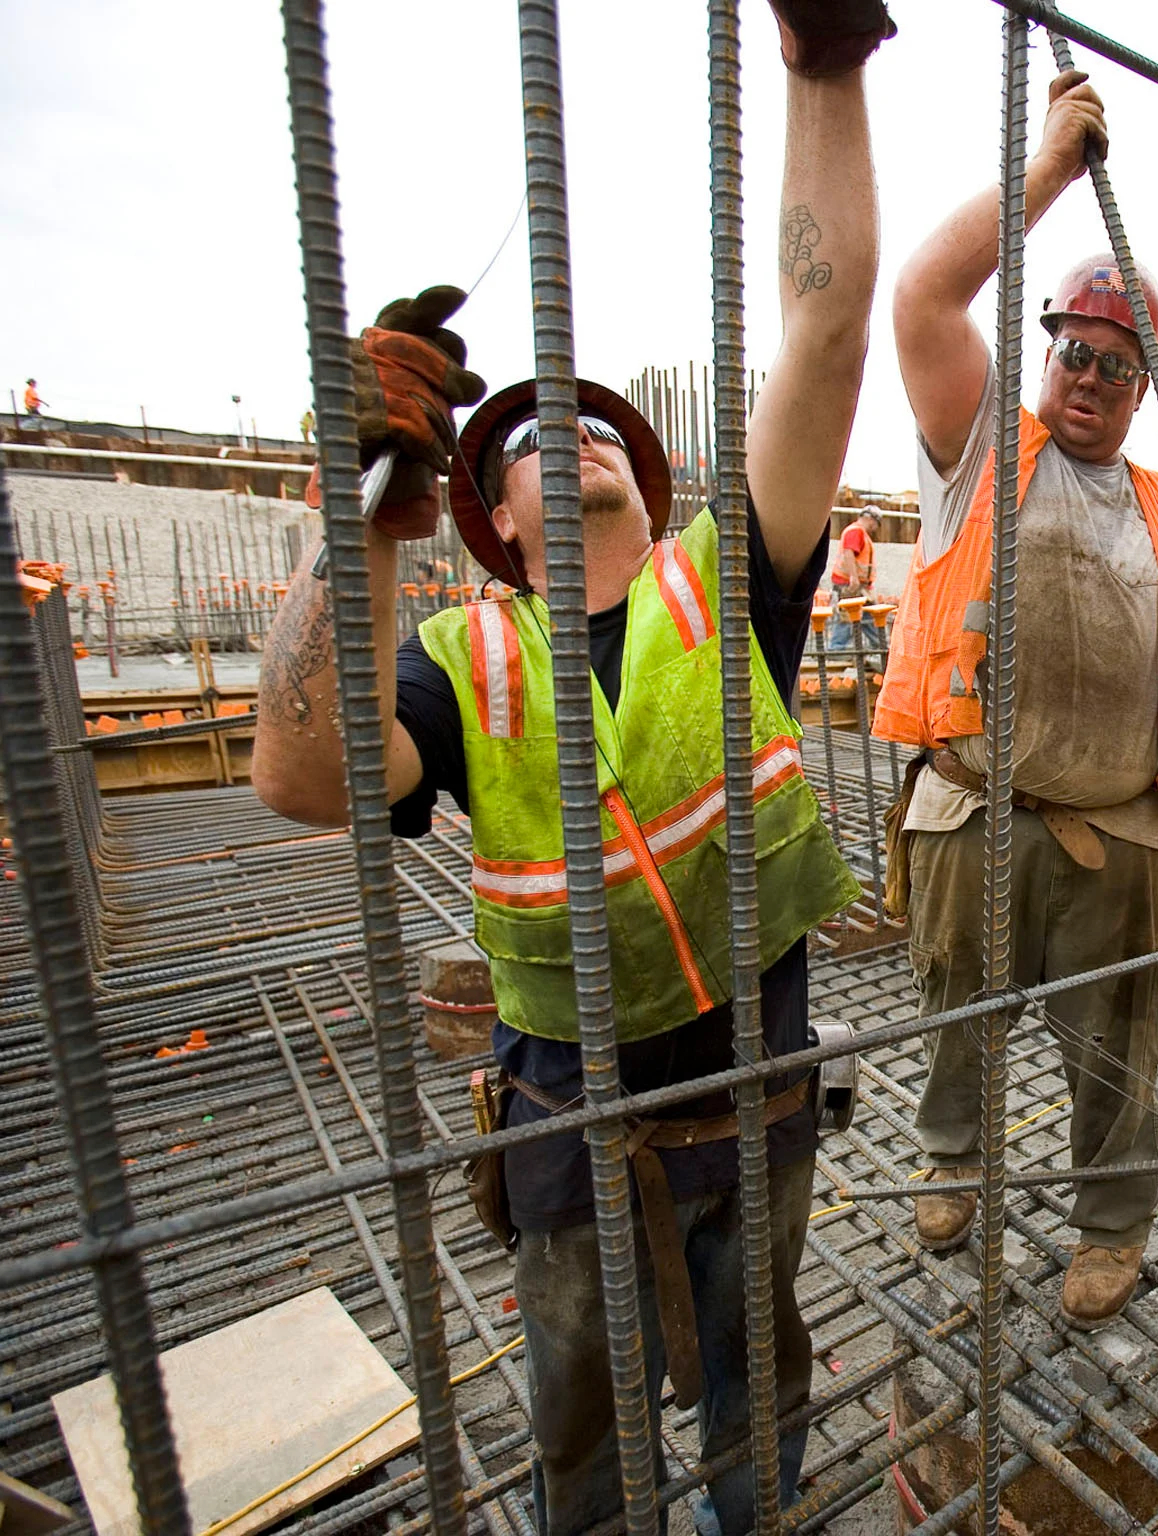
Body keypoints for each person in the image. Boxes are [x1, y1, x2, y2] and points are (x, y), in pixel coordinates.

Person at [250, 5, 890, 1529]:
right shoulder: (465, 662)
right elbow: (298, 774)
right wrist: (353, 507)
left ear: (638, 472)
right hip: (562, 1121)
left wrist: (822, 68)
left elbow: (829, 325)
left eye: (590, 423)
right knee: (581, 1433)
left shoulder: (721, 580)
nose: (567, 432)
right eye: (524, 432)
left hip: (753, 1090)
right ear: (490, 514)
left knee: (759, 1397)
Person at [875, 68, 1158, 1331]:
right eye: (1074, 352)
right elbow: (921, 295)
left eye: (1117, 363)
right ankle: (952, 1161)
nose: (1091, 378)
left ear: (1145, 380)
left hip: (1113, 837)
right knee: (956, 1013)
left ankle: (1110, 1225)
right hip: (973, 808)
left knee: (1115, 1052)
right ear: (1044, 349)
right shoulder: (983, 443)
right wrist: (1051, 163)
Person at [825, 504, 884, 653]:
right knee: (849, 616)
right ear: (872, 520)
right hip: (851, 584)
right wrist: (854, 578)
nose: (875, 529)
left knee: (866, 616)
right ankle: (837, 649)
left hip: (858, 585)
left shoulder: (858, 532)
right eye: (876, 525)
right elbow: (849, 552)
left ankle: (880, 646)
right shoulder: (856, 531)